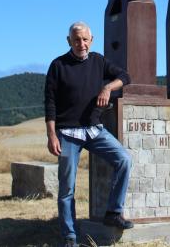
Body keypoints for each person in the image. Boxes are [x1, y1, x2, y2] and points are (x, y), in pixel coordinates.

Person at [44, 21, 134, 247]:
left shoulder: (98, 61)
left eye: (85, 39)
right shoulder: (57, 65)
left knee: (124, 160)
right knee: (67, 187)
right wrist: (52, 135)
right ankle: (70, 236)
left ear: (91, 40)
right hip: (67, 133)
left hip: (94, 130)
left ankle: (113, 212)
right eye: (76, 40)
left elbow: (125, 76)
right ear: (69, 41)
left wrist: (107, 87)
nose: (81, 44)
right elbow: (50, 103)